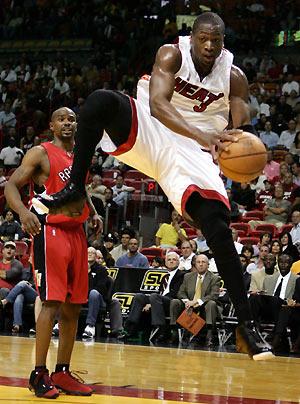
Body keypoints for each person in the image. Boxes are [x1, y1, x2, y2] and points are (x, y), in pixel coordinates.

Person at [33, 12, 273, 360]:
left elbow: (245, 123)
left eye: (216, 40)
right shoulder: (171, 54)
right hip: (154, 129)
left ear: (223, 42)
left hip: (196, 152)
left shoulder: (234, 76)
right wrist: (204, 135)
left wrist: (249, 148)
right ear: (192, 37)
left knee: (219, 228)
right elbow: (158, 106)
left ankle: (246, 326)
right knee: (100, 100)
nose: (208, 46)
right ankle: (74, 191)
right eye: (203, 39)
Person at [4, 107, 102, 398]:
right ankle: (38, 374)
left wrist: (93, 212)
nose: (68, 123)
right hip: (52, 233)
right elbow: (11, 185)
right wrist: (22, 212)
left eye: (72, 119)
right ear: (52, 125)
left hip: (77, 234)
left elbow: (79, 188)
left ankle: (62, 372)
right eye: (62, 119)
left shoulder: (79, 154)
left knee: (74, 305)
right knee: (52, 302)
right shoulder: (40, 153)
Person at [123, 251, 184, 341]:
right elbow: (160, 293)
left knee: (154, 296)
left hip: (172, 302)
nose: (171, 261)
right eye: (169, 260)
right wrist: (152, 301)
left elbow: (175, 293)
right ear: (166, 263)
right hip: (158, 299)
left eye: (174, 260)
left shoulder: (182, 275)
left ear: (178, 262)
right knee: (139, 297)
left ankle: (160, 327)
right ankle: (132, 327)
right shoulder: (164, 276)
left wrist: (152, 303)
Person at [170, 254, 222, 346]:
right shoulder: (188, 276)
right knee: (175, 302)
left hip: (205, 307)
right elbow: (180, 293)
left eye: (203, 262)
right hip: (189, 306)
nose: (201, 264)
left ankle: (209, 335)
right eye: (198, 262)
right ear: (195, 264)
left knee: (211, 303)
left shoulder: (214, 278)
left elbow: (214, 295)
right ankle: (174, 332)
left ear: (208, 264)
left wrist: (196, 302)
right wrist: (187, 302)